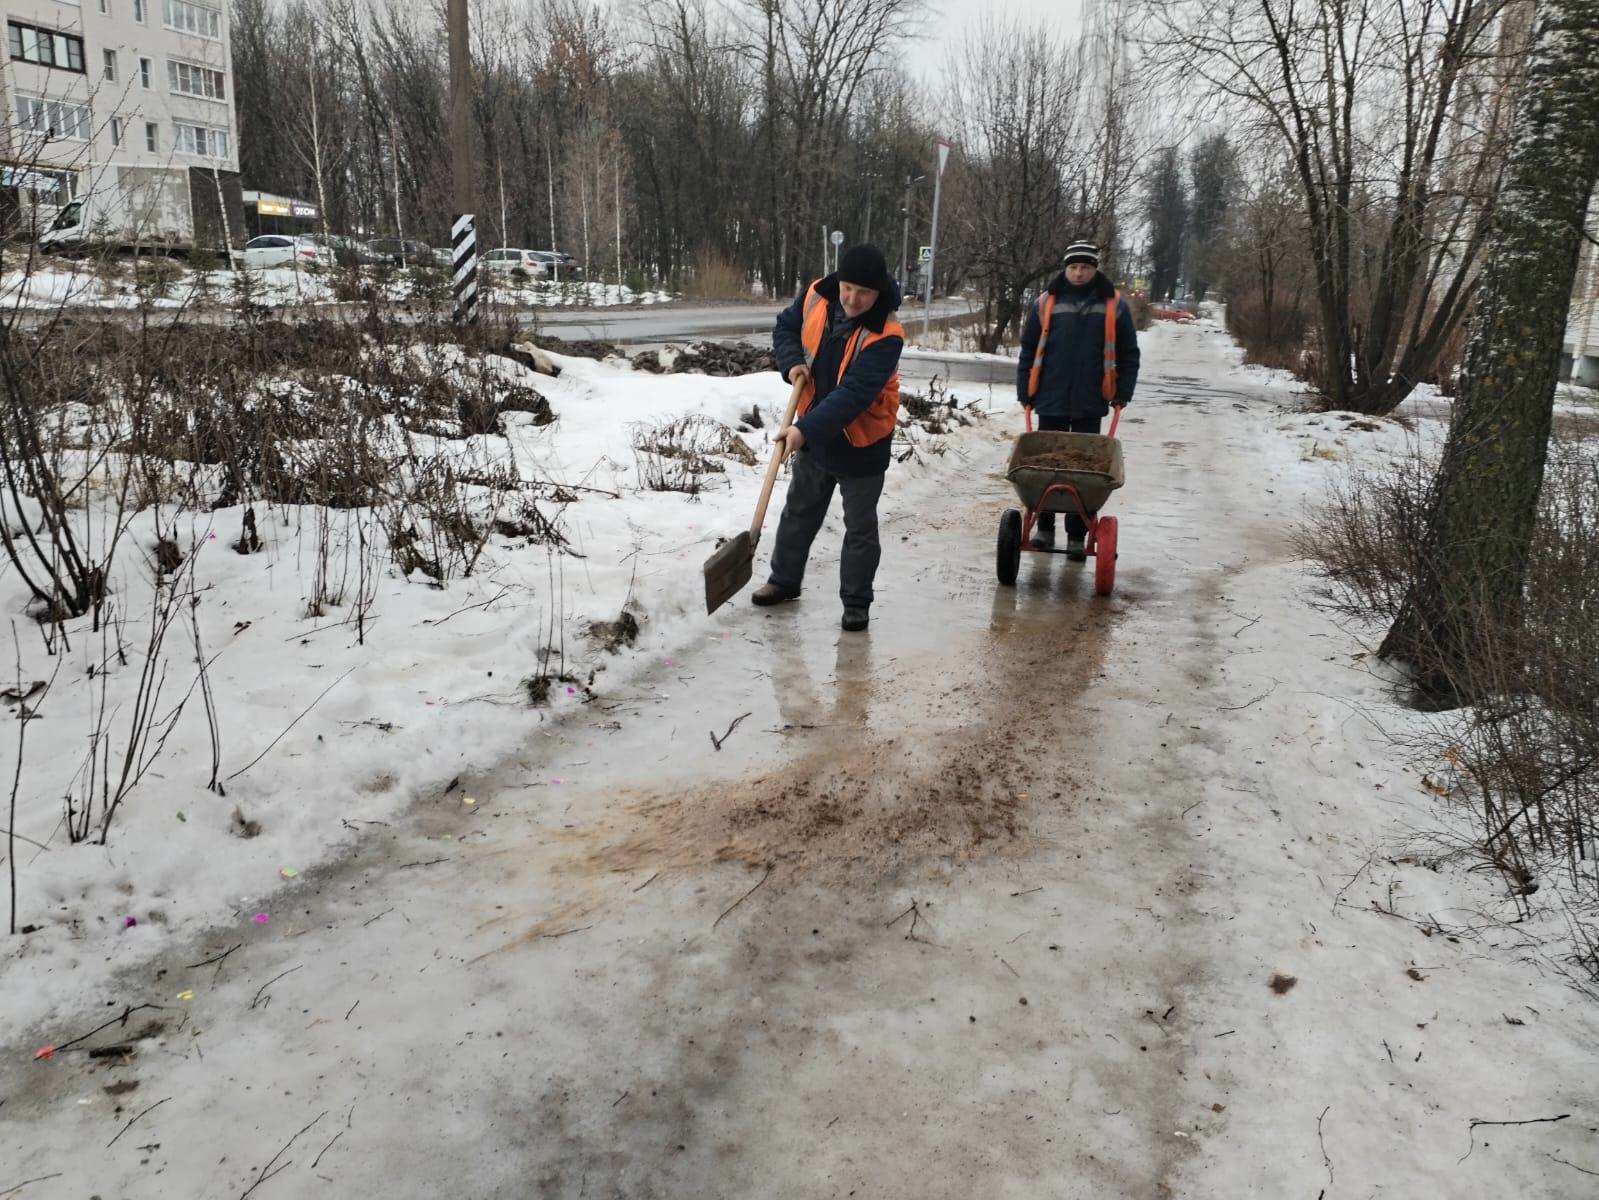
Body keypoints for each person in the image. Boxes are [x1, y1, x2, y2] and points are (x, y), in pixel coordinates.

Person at [753, 244, 905, 632]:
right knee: (799, 511)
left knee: (859, 528)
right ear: (839, 280)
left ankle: (856, 603)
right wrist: (791, 364)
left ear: (879, 294)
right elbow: (785, 327)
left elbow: (853, 396)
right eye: (849, 288)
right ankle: (784, 581)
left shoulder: (886, 335)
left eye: (864, 293)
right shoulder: (817, 295)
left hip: (863, 441)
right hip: (817, 433)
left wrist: (803, 431)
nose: (853, 299)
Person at [1015, 241, 1141, 558]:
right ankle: (1043, 528)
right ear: (1065, 269)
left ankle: (1076, 534)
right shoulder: (1046, 303)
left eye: (1085, 267)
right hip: (1050, 395)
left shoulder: (1113, 305)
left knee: (1084, 469)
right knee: (1044, 466)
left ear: (1095, 269)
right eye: (1073, 267)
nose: (1079, 273)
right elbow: (1028, 350)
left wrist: (1123, 391)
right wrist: (1024, 390)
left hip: (1091, 397)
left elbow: (1128, 354)